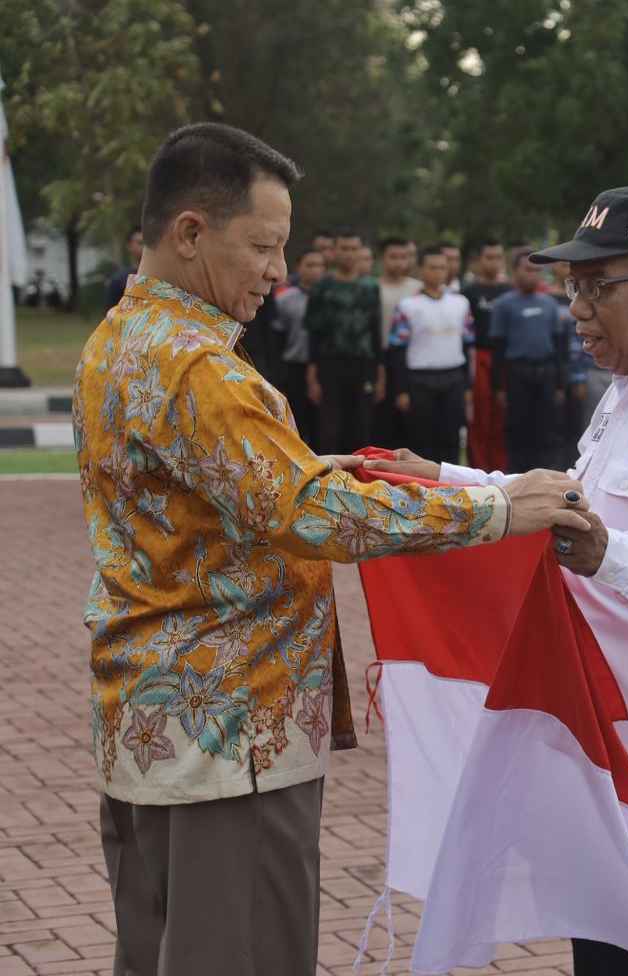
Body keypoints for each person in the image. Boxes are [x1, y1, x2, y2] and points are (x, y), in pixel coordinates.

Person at [74, 121, 591, 976]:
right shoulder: (197, 367)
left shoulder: (120, 339)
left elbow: (226, 491)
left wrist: (304, 468)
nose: (277, 270)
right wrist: (497, 508)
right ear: (191, 232)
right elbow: (311, 514)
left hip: (154, 721)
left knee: (160, 947)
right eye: (262, 246)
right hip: (231, 734)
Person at [375, 185, 628, 976]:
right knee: (607, 950)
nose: (578, 310)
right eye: (573, 287)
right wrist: (444, 478)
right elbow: (565, 496)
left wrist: (608, 554)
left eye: (599, 288)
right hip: (606, 727)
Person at [389, 244, 474, 464]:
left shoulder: (461, 303)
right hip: (420, 379)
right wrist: (401, 389)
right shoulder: (407, 306)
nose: (438, 272)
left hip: (453, 377)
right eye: (433, 267)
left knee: (451, 438)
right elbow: (397, 350)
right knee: (422, 439)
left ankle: (452, 481)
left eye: (442, 267)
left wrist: (467, 386)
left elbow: (467, 345)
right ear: (421, 270)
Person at [304, 231, 383, 454]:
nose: (349, 254)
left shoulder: (371, 287)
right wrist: (312, 375)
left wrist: (380, 373)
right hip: (329, 364)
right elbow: (313, 332)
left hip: (363, 364)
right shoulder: (321, 287)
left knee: (361, 426)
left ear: (360, 252)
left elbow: (375, 331)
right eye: (344, 248)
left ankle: (359, 473)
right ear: (334, 251)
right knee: (329, 428)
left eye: (353, 249)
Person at [492, 247, 569, 472]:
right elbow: (498, 349)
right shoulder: (504, 305)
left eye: (537, 271)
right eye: (527, 269)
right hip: (517, 374)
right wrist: (498, 386)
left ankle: (546, 475)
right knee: (518, 430)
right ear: (514, 271)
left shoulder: (549, 304)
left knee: (546, 430)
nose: (532, 275)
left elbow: (559, 346)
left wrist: (560, 383)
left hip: (545, 373)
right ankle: (517, 477)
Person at [461, 240, 512, 472]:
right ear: (479, 261)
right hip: (478, 356)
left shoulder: (509, 291)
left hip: (505, 357)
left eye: (498, 257)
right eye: (489, 257)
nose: (494, 262)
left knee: (502, 415)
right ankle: (478, 469)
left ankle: (501, 469)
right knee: (480, 416)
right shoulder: (468, 293)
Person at [374, 237, 423, 450]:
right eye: (393, 257)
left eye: (403, 257)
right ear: (382, 259)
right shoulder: (373, 287)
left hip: (410, 358)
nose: (399, 262)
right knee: (383, 418)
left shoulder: (418, 288)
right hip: (381, 356)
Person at [274, 250, 323, 446]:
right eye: (310, 265)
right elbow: (278, 337)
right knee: (297, 419)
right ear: (298, 268)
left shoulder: (330, 298)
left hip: (324, 368)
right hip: (294, 364)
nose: (315, 270)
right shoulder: (285, 299)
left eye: (319, 265)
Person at [104, 226, 144, 311]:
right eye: (140, 243)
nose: (144, 247)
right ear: (129, 245)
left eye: (146, 244)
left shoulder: (161, 275)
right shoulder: (119, 279)